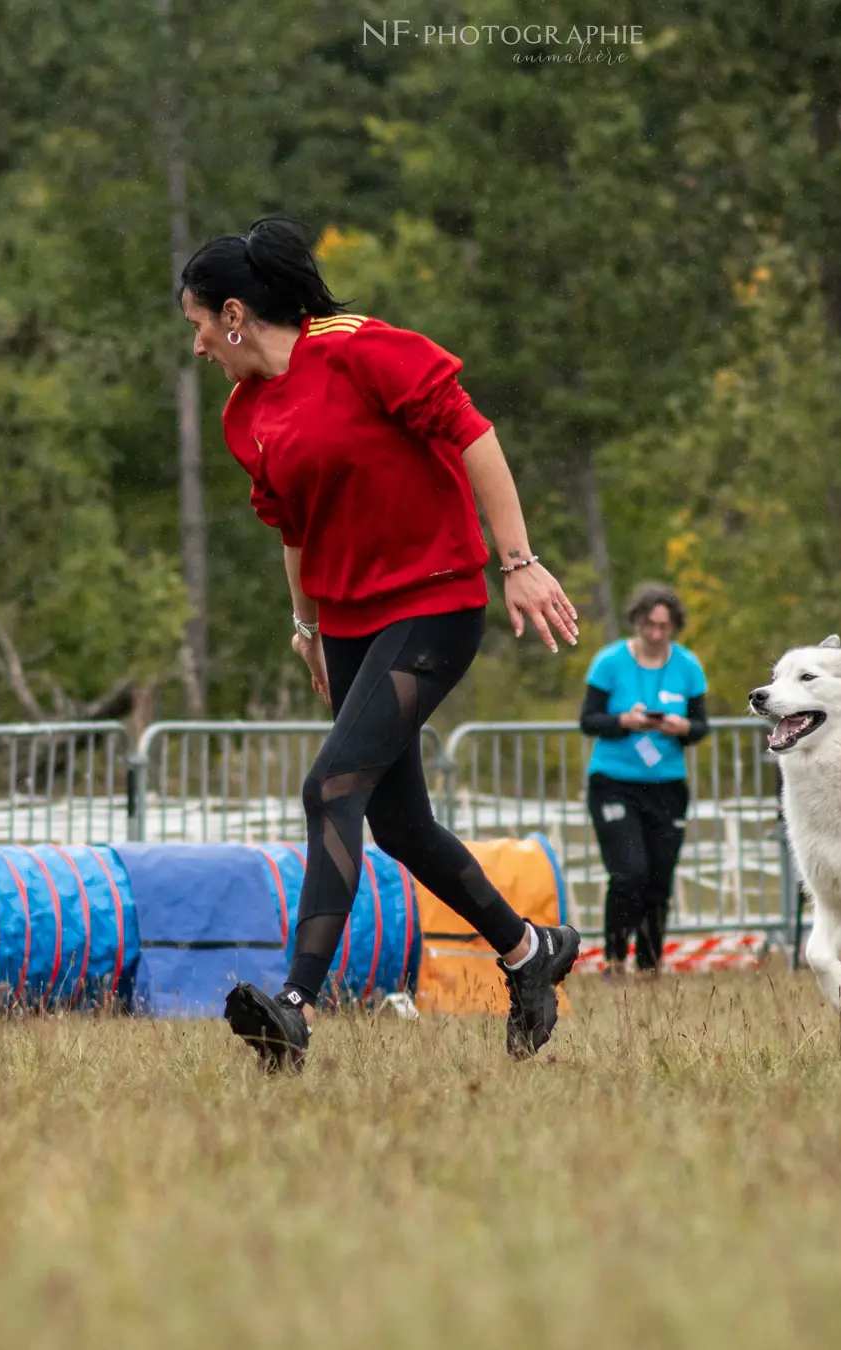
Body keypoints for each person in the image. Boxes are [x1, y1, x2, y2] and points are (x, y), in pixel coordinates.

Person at [179, 216, 583, 1069]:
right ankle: (527, 951)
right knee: (398, 823)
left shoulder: (361, 349)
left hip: (433, 604)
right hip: (352, 624)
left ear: (237, 314)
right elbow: (291, 527)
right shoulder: (244, 415)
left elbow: (474, 434)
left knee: (330, 788)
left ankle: (294, 1005)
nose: (199, 345)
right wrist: (308, 628)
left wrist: (519, 561)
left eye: (199, 324)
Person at [578, 583, 709, 974]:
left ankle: (650, 965)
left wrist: (681, 727)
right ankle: (614, 960)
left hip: (667, 785)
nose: (655, 634)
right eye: (649, 625)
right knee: (628, 872)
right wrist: (625, 721)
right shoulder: (609, 662)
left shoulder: (688, 666)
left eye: (663, 627)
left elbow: (701, 727)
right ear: (636, 622)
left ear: (673, 627)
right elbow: (588, 721)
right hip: (614, 780)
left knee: (658, 878)